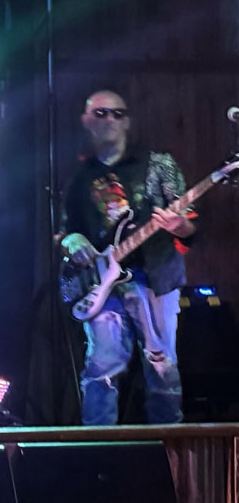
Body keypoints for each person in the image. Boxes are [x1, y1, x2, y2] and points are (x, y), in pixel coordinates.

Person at [61, 90, 196, 425]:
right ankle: (97, 448)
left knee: (162, 366)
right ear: (86, 121)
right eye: (101, 113)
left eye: (117, 114)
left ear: (127, 121)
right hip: (103, 284)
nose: (110, 119)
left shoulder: (158, 164)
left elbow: (190, 223)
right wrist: (71, 241)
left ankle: (168, 447)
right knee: (101, 368)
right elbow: (65, 231)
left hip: (156, 276)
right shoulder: (79, 177)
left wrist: (181, 226)